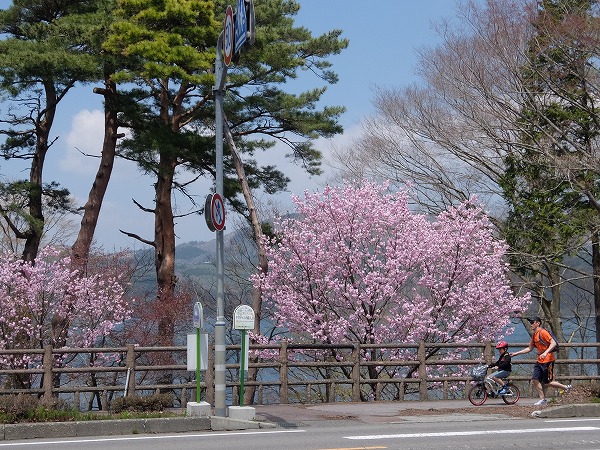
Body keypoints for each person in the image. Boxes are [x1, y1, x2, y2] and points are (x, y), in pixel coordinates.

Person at [510, 316, 571, 406]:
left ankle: (566, 387)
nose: (531, 324)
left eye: (532, 322)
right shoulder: (535, 335)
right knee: (535, 379)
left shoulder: (543, 332)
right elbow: (530, 348)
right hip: (540, 360)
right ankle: (542, 399)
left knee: (547, 382)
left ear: (538, 323)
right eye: (530, 323)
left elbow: (553, 343)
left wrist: (546, 352)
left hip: (548, 360)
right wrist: (516, 353)